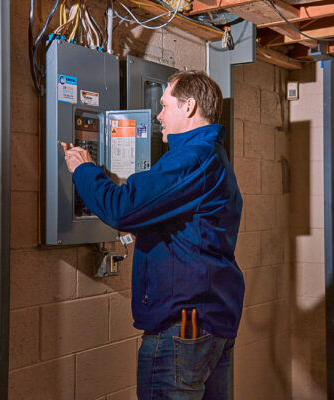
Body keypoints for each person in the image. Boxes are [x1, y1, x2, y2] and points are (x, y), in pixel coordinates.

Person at [62, 70, 244, 400]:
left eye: (164, 105)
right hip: (207, 322)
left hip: (183, 328)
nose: (158, 116)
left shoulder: (192, 159)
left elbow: (122, 208)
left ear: (189, 107)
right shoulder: (211, 156)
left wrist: (84, 168)